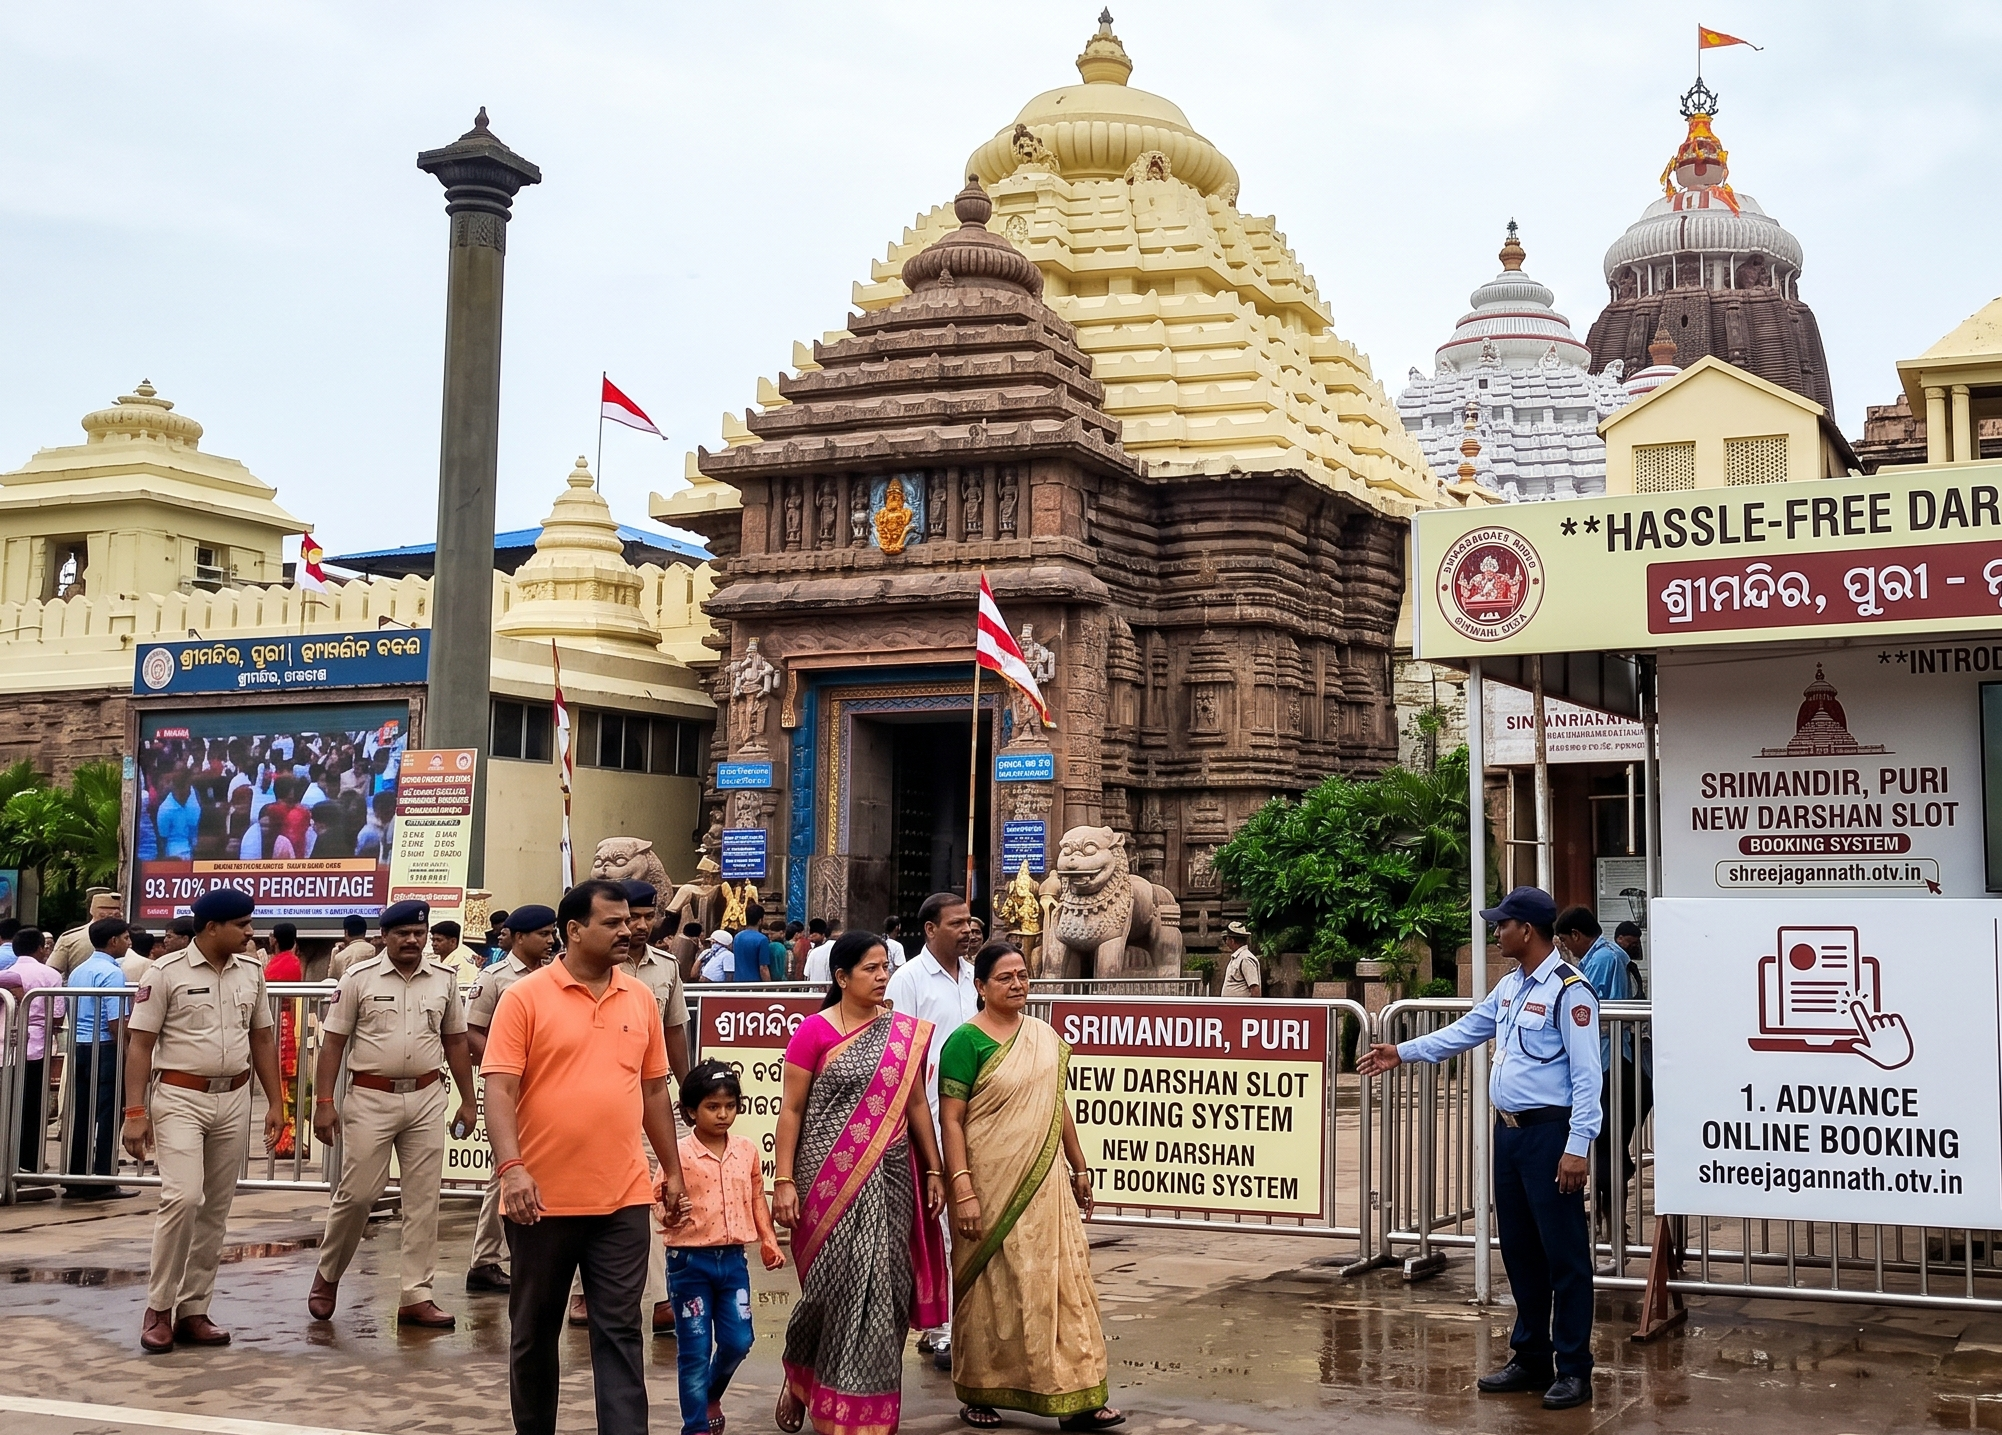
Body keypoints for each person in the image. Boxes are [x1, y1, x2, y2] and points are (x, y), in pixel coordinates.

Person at [1358, 887, 1601, 1411]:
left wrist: (1577, 1146)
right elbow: (1468, 1030)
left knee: (1565, 1257)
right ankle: (1532, 1357)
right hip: (1510, 1134)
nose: (1496, 932)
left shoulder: (1569, 991)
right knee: (1519, 1249)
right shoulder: (1511, 987)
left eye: (1503, 924)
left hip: (1550, 1135)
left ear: (1527, 931)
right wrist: (1402, 1051)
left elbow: (1587, 1078)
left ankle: (1574, 1368)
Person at [482, 879, 691, 1435]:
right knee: (534, 1331)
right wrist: (513, 1170)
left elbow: (652, 1092)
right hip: (540, 1200)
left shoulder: (641, 997)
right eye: (614, 922)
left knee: (621, 1331)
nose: (630, 930)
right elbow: (499, 1089)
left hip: (621, 1198)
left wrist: (671, 1170)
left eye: (631, 920)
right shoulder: (524, 998)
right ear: (574, 931)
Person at [772, 931, 949, 1435]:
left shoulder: (901, 1032)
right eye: (870, 969)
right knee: (828, 1290)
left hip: (891, 1177)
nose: (881, 977)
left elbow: (916, 1105)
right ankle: (803, 1374)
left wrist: (934, 1169)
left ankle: (862, 1411)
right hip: (826, 1181)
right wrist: (783, 1180)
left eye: (885, 968)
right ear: (842, 977)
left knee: (885, 1290)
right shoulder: (814, 1032)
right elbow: (792, 1110)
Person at [939, 943, 1121, 1431]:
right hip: (988, 1183)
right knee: (993, 1285)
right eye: (1005, 977)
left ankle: (1075, 1395)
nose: (1018, 984)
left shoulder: (1043, 1035)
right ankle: (981, 1386)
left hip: (1046, 1186)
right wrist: (962, 1189)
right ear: (980, 987)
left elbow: (1056, 1106)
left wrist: (1080, 1167)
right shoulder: (965, 1042)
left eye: (1022, 975)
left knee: (1063, 1280)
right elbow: (951, 1121)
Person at [123, 887, 287, 1354]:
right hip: (179, 1097)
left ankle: (193, 1309)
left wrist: (276, 1102)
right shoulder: (166, 972)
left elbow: (261, 1037)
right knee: (182, 1197)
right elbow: (140, 1044)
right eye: (242, 925)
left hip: (234, 1097)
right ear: (211, 927)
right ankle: (158, 1306)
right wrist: (135, 1113)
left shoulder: (252, 972)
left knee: (216, 1206)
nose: (250, 933)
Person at [308, 900, 479, 1328]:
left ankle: (416, 1295)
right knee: (359, 1194)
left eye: (419, 934)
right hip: (370, 1098)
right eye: (402, 933)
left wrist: (468, 1099)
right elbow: (332, 1044)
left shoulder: (443, 980)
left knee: (423, 1199)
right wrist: (324, 1103)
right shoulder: (358, 979)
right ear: (384, 936)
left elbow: (456, 1041)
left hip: (425, 1096)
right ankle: (329, 1274)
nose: (412, 940)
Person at [883, 891, 978, 1365]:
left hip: (972, 1112)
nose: (967, 930)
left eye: (969, 922)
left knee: (967, 1211)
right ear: (930, 929)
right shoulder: (908, 980)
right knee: (937, 1217)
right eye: (957, 923)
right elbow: (900, 1055)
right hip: (930, 1112)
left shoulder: (973, 977)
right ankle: (939, 1326)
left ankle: (964, 1314)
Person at [666, 1060, 785, 1435]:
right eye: (712, 1107)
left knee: (739, 1341)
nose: (723, 1114)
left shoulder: (746, 1150)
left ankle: (711, 1394)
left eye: (730, 1106)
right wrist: (670, 1209)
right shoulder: (678, 1155)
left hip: (733, 1263)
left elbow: (755, 1199)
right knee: (695, 1351)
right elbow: (659, 1204)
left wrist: (767, 1239)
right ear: (690, 1110)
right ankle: (696, 1426)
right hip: (690, 1264)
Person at [605, 878, 695, 1336]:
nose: (638, 926)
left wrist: (690, 1089)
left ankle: (662, 1299)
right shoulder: (600, 968)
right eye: (628, 918)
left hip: (650, 1094)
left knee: (657, 1190)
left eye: (646, 917)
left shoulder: (666, 969)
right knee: (600, 1194)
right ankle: (585, 1292)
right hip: (602, 1100)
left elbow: (675, 1031)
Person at [464, 904, 559, 1296]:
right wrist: (509, 1066)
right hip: (513, 1087)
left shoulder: (557, 975)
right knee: (506, 1169)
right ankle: (486, 1260)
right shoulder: (495, 979)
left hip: (551, 1086)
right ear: (519, 937)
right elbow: (472, 1031)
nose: (551, 940)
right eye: (543, 934)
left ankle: (515, 1255)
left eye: (553, 933)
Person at [1555, 907, 1650, 1226]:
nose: (1569, 950)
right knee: (1607, 1143)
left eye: (1568, 943)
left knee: (1608, 1143)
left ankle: (1611, 1221)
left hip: (1611, 1060)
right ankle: (1606, 1217)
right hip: (1611, 1059)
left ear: (1577, 935)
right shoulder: (1607, 955)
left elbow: (1580, 1004)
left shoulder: (1602, 959)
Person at [66, 918, 134, 1200]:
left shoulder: (79, 971)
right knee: (108, 1114)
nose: (129, 943)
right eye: (126, 938)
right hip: (105, 1047)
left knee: (83, 1113)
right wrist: (127, 1054)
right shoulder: (112, 974)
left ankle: (75, 1177)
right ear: (113, 941)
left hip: (80, 1047)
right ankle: (103, 1179)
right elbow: (117, 1021)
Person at [0, 927, 62, 1184]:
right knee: (33, 1108)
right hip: (36, 1048)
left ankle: (6, 1161)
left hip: (4, 1049)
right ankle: (29, 1164)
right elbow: (57, 1015)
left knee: (6, 1106)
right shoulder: (50, 974)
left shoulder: (5, 975)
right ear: (41, 948)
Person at [264, 922, 306, 1158]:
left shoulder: (281, 964)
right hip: (284, 1026)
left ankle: (286, 1141)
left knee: (285, 1083)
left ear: (274, 938)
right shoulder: (291, 961)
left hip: (284, 1027)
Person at [50, 888, 123, 978]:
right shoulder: (128, 939)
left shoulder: (70, 939)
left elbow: (50, 973)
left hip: (76, 989)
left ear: (92, 911)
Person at [731, 905, 775, 983]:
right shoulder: (762, 939)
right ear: (760, 920)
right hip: (755, 984)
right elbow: (763, 967)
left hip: (738, 982)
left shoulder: (737, 937)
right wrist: (769, 986)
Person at [1219, 922, 1262, 997]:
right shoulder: (1238, 958)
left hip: (1241, 1007)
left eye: (1226, 939)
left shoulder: (1245, 959)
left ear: (1232, 941)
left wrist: (1254, 1008)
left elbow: (1255, 989)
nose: (1226, 942)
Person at [329, 914, 375, 979]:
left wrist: (334, 954)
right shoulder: (375, 950)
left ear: (346, 932)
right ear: (365, 932)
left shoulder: (340, 956)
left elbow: (332, 979)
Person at [803, 921, 840, 985]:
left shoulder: (813, 952)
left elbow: (806, 974)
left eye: (814, 935)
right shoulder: (812, 951)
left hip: (816, 990)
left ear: (823, 935)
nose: (811, 937)